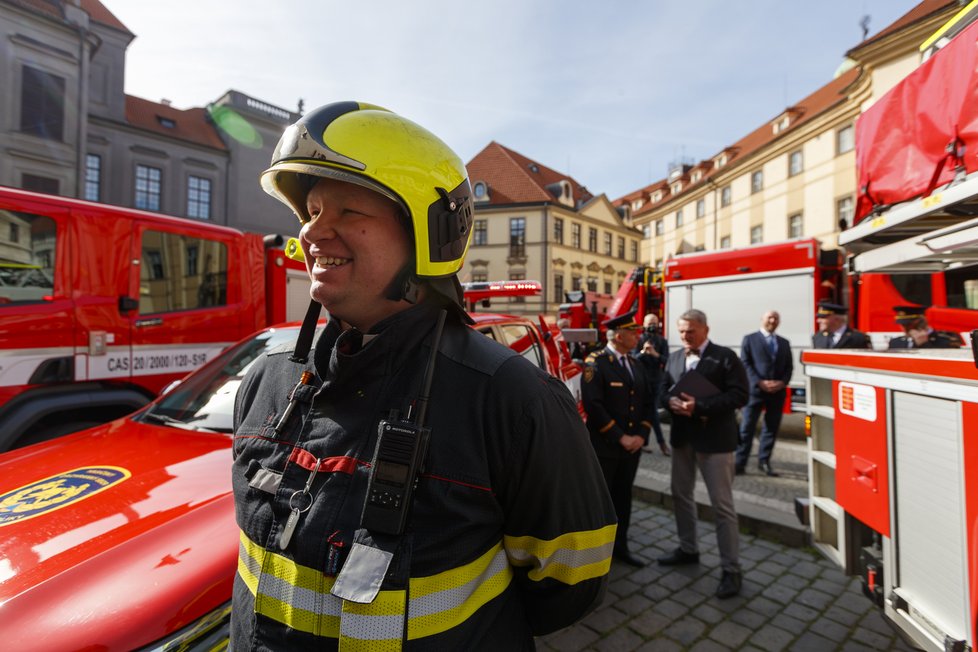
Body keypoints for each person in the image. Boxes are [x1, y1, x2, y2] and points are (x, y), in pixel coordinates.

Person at [230, 101, 617, 650]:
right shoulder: (267, 381)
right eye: (311, 211)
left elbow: (569, 584)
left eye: (346, 210)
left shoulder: (510, 400)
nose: (314, 233)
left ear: (426, 233)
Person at [657, 309, 749, 599]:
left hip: (715, 441)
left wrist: (700, 406)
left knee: (722, 506)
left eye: (691, 331)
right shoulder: (673, 357)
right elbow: (660, 390)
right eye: (682, 331)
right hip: (683, 439)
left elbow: (740, 396)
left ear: (705, 330)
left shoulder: (725, 357)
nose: (685, 336)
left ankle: (731, 569)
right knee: (680, 495)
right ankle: (688, 548)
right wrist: (669, 400)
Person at [582, 310, 656, 567]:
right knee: (602, 500)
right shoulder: (596, 362)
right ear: (619, 335)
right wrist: (620, 436)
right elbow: (594, 405)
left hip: (631, 447)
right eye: (633, 332)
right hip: (607, 447)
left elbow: (647, 401)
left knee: (623, 498)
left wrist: (640, 436)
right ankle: (595, 552)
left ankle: (620, 546)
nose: (638, 336)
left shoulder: (635, 364)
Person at [735, 310, 792, 477]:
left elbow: (789, 367)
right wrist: (759, 382)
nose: (773, 321)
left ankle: (764, 461)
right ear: (762, 320)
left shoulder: (784, 343)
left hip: (777, 392)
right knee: (746, 428)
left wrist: (782, 382)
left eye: (776, 318)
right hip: (755, 392)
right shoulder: (750, 339)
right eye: (769, 318)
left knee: (771, 428)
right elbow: (745, 363)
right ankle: (740, 463)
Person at [635, 312, 670, 455]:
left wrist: (655, 354)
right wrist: (643, 352)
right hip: (642, 381)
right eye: (649, 323)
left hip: (657, 381)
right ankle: (650, 443)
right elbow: (633, 359)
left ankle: (660, 443)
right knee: (648, 411)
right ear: (644, 324)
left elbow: (667, 361)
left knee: (653, 411)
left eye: (654, 323)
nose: (652, 326)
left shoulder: (662, 341)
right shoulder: (638, 340)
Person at [887, 305, 962, 349]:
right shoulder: (895, 343)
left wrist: (924, 344)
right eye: (902, 324)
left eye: (908, 324)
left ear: (921, 321)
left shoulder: (947, 340)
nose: (904, 328)